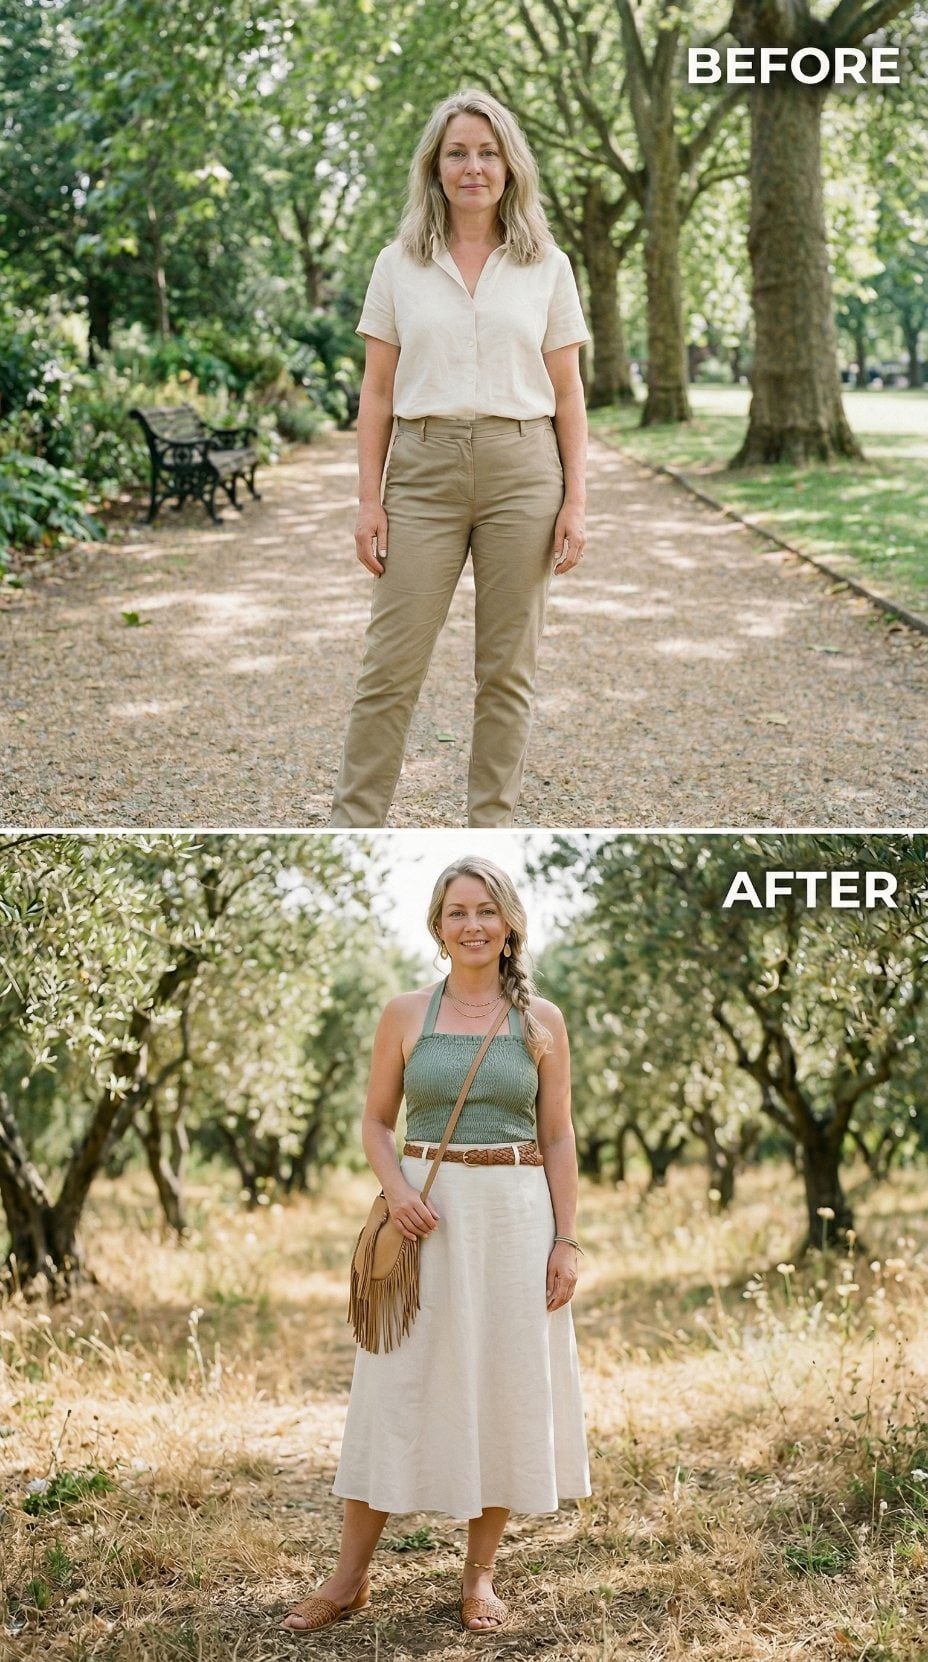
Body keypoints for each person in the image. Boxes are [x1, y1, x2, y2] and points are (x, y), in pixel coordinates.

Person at [281, 857, 591, 1635]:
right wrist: (398, 1190)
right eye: (457, 911)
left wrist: (567, 1240)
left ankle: (479, 1580)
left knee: (504, 1385)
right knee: (395, 1385)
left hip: (515, 1219)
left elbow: (557, 1136)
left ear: (510, 923)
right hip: (426, 1214)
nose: (473, 924)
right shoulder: (404, 1012)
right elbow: (376, 1123)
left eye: (486, 910)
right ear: (438, 925)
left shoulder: (541, 1021)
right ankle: (348, 1579)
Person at [329, 89, 590, 828]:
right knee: (389, 669)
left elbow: (568, 393)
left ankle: (491, 826)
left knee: (507, 674)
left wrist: (576, 501)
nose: (472, 167)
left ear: (509, 166)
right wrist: (367, 500)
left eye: (486, 152)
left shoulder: (547, 266)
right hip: (423, 470)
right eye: (457, 153)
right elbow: (376, 393)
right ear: (434, 168)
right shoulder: (398, 265)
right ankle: (356, 824)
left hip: (523, 470)